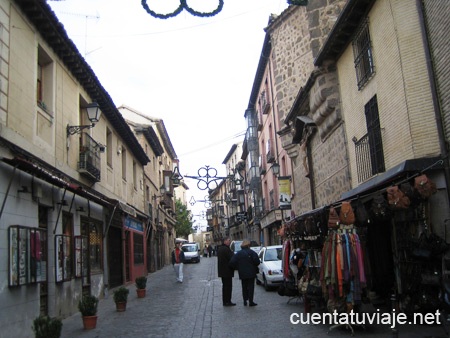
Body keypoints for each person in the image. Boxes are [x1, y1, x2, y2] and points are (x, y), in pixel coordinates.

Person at [229, 239, 260, 306]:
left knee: (244, 286)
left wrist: (238, 267)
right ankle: (251, 301)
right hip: (251, 273)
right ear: (248, 245)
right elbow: (257, 262)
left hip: (242, 273)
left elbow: (232, 262)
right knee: (251, 287)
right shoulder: (252, 252)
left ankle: (245, 300)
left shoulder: (238, 254)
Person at [217, 237, 236, 306]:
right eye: (228, 240)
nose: (229, 242)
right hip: (227, 271)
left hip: (222, 271)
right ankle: (228, 301)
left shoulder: (220, 249)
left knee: (225, 287)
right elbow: (231, 259)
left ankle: (225, 301)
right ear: (225, 241)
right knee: (228, 287)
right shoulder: (226, 249)